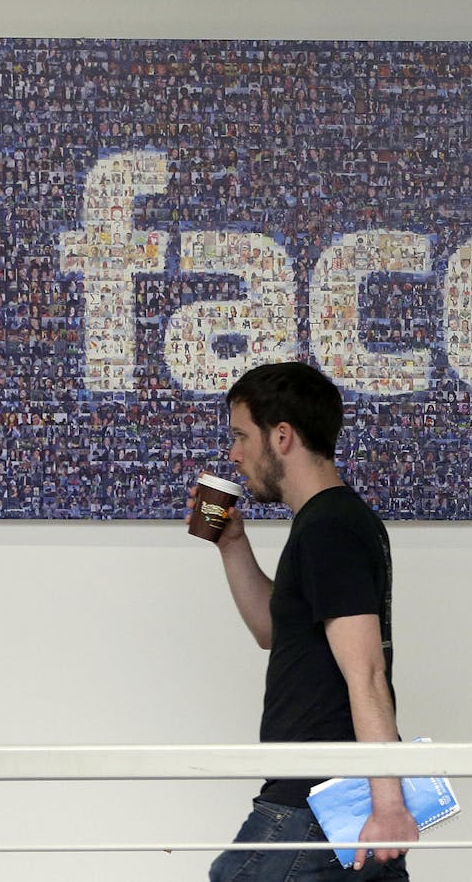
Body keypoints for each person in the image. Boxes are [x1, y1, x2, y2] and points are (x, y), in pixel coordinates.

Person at [191, 361, 417, 881]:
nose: (234, 454)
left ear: (283, 436)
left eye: (241, 436)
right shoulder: (326, 524)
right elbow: (273, 632)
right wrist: (232, 545)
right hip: (334, 803)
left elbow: (366, 673)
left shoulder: (329, 529)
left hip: (315, 804)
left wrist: (388, 806)